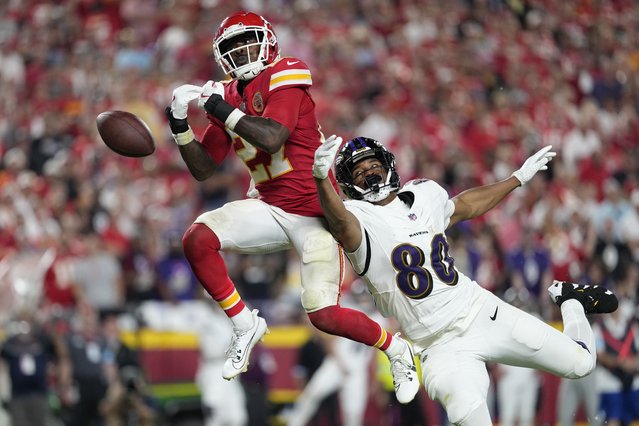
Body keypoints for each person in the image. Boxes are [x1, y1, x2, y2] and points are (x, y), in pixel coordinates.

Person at [163, 10, 418, 403]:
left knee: (323, 314)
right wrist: (179, 124)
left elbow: (272, 137)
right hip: (270, 207)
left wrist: (216, 107)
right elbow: (203, 168)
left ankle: (396, 349)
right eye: (232, 46)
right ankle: (245, 324)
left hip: (317, 215)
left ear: (267, 41)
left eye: (248, 41)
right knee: (197, 238)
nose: (242, 51)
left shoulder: (287, 73)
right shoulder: (229, 95)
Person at [311, 135, 619, 425]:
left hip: (480, 311)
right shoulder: (355, 217)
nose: (370, 174)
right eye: (359, 171)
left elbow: (466, 205)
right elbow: (339, 222)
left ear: (388, 164)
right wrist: (321, 179)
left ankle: (573, 303)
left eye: (373, 165)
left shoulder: (424, 194)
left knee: (581, 364)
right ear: (348, 184)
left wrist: (517, 179)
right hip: (439, 347)